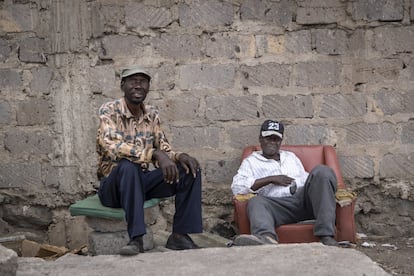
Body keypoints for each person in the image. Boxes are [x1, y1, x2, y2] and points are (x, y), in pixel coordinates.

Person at [96, 65, 203, 255]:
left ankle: (179, 235)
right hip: (113, 187)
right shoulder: (109, 110)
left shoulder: (151, 114)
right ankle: (136, 239)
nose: (138, 85)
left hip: (140, 183)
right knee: (128, 166)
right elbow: (111, 146)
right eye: (132, 81)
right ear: (123, 85)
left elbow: (163, 148)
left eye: (143, 81)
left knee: (189, 169)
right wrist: (153, 154)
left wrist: (179, 156)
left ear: (148, 87)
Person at [231, 119, 338, 246]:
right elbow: (237, 187)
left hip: (303, 200)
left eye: (275, 139)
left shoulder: (290, 157)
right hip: (277, 207)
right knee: (256, 201)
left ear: (280, 141)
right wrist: (270, 179)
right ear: (260, 139)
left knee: (322, 171)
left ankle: (326, 236)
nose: (271, 142)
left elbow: (305, 178)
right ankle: (266, 238)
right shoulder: (251, 161)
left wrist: (313, 183)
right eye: (268, 138)